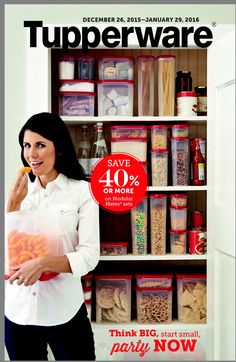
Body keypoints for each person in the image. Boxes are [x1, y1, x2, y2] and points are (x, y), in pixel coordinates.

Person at [5, 112, 100, 361]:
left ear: (58, 149)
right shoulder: (17, 192)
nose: (32, 154)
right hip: (20, 313)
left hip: (64, 311)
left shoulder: (83, 192)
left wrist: (44, 263)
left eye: (40, 145)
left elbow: (89, 256)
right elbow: (8, 254)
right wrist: (12, 208)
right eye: (27, 145)